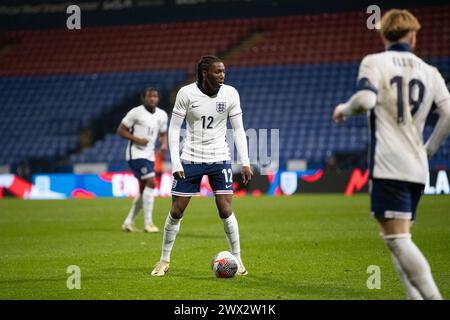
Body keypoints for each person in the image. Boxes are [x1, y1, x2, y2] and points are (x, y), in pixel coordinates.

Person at [333, 9, 450, 300]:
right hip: (417, 166)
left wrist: (343, 109)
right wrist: (429, 149)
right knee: (400, 237)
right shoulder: (430, 71)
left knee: (397, 239)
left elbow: (366, 99)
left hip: (389, 165)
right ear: (412, 35)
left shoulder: (374, 62)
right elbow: (448, 114)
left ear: (384, 35)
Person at [151, 55, 253, 277]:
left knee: (225, 209)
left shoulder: (230, 93)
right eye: (218, 72)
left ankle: (238, 259)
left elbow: (237, 129)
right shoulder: (186, 93)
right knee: (177, 210)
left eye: (224, 71)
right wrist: (176, 162)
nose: (222, 75)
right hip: (191, 158)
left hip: (219, 157)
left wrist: (245, 162)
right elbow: (174, 129)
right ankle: (164, 260)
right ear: (205, 73)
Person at [117, 88, 168, 233]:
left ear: (158, 98)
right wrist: (137, 139)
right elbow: (120, 130)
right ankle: (148, 223)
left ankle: (128, 222)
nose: (152, 99)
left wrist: (164, 144)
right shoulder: (136, 112)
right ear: (144, 98)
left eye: (155, 96)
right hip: (136, 154)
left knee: (143, 190)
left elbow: (163, 133)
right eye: (149, 96)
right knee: (151, 182)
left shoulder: (162, 115)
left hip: (150, 155)